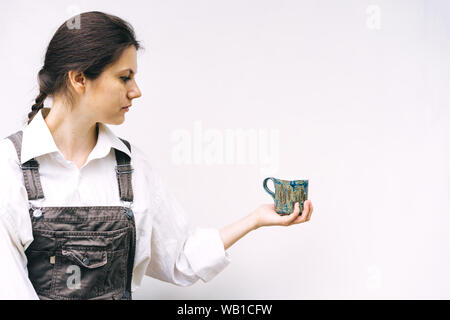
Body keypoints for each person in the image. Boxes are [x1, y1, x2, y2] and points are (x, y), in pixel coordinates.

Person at [0, 11, 314, 300]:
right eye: (125, 77)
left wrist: (255, 219)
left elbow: (180, 258)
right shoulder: (9, 166)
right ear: (80, 78)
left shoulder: (130, 166)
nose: (136, 91)